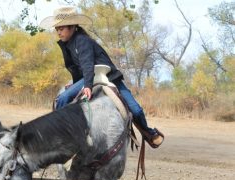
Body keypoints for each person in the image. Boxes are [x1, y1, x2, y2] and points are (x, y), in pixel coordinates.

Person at [40, 7, 164, 147]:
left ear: (73, 27)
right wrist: (75, 84)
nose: (58, 32)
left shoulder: (82, 40)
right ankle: (59, 133)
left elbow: (87, 64)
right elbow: (77, 68)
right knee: (62, 98)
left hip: (108, 76)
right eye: (57, 29)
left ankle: (149, 133)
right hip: (89, 76)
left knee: (136, 109)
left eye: (61, 28)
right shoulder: (67, 44)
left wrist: (87, 86)